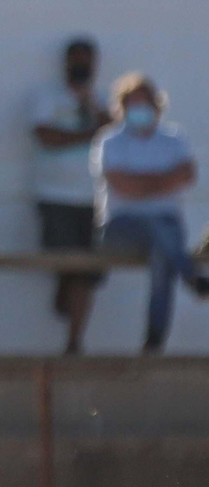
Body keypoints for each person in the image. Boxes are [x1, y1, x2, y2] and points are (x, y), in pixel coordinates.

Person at [95, 74, 209, 352]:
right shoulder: (110, 141)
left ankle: (153, 342)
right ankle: (192, 276)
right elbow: (123, 186)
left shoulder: (174, 139)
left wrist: (143, 182)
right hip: (122, 228)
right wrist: (163, 181)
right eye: (132, 105)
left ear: (156, 106)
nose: (139, 111)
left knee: (162, 255)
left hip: (166, 229)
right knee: (158, 230)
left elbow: (186, 175)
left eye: (144, 104)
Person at [30, 38, 109, 355]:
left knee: (86, 270)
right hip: (56, 195)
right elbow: (47, 136)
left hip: (96, 199)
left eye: (87, 60)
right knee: (66, 263)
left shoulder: (101, 99)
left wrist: (92, 107)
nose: (81, 66)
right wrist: (88, 133)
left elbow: (112, 134)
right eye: (76, 59)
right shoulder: (47, 96)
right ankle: (65, 295)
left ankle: (75, 340)